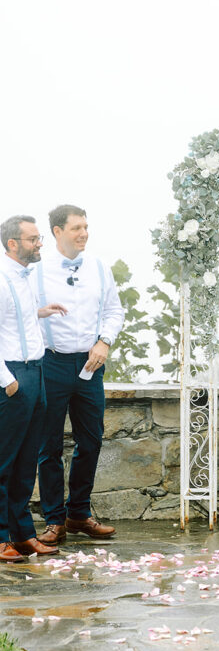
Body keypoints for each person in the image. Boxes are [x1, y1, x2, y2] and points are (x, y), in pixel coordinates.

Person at [30, 205, 124, 547]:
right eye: (76, 228)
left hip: (90, 366)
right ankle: (55, 521)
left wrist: (104, 341)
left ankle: (79, 513)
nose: (84, 233)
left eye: (86, 226)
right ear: (57, 232)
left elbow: (114, 310)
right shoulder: (36, 270)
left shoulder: (99, 267)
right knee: (48, 446)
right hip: (50, 364)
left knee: (92, 440)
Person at [0, 216, 66, 563]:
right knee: (3, 462)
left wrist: (39, 313)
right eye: (33, 239)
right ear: (13, 244)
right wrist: (7, 380)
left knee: (27, 462)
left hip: (36, 373)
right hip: (12, 377)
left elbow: (15, 321)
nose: (39, 243)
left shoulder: (23, 278)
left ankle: (23, 535)